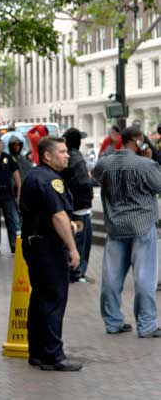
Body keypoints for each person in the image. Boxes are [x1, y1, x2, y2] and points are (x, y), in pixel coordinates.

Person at [92, 126, 161, 338]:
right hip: (142, 225)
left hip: (115, 226)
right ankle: (147, 324)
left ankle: (113, 322)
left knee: (111, 277)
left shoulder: (105, 163)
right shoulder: (145, 165)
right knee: (144, 277)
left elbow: (96, 177)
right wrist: (150, 159)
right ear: (137, 140)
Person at [20, 137, 82, 371]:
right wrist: (73, 249)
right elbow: (58, 216)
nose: (67, 155)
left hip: (34, 244)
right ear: (48, 155)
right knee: (54, 299)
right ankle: (53, 355)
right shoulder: (50, 180)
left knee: (40, 299)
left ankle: (37, 352)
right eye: (63, 152)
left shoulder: (34, 176)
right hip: (48, 247)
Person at [60, 128, 94, 283]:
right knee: (81, 242)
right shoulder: (76, 159)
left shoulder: (66, 158)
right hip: (80, 209)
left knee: (74, 241)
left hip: (71, 206)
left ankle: (73, 272)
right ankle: (77, 273)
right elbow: (84, 183)